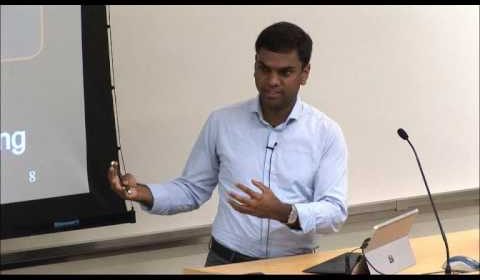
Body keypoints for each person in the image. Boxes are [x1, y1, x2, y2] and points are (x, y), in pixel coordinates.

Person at [108, 21, 348, 267]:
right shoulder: (222, 122)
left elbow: (335, 212)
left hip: (295, 264)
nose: (272, 80)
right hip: (226, 262)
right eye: (264, 69)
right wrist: (141, 193)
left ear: (304, 73)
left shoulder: (326, 133)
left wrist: (284, 211)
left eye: (285, 72)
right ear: (255, 66)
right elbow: (192, 190)